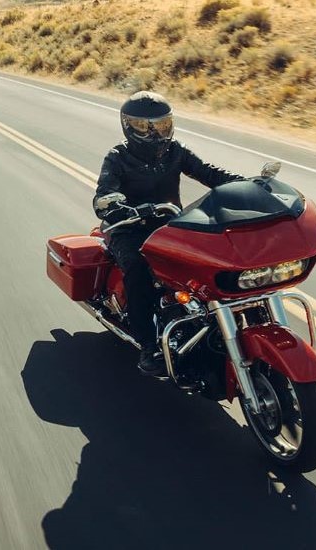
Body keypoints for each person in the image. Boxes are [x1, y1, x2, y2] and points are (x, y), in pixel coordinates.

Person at [94, 91, 242, 375]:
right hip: (127, 228)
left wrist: (248, 184)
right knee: (138, 271)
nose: (153, 132)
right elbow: (104, 194)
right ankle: (149, 347)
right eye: (143, 126)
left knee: (211, 262)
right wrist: (117, 207)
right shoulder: (117, 157)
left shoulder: (175, 151)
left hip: (170, 225)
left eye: (160, 124)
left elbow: (209, 173)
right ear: (128, 126)